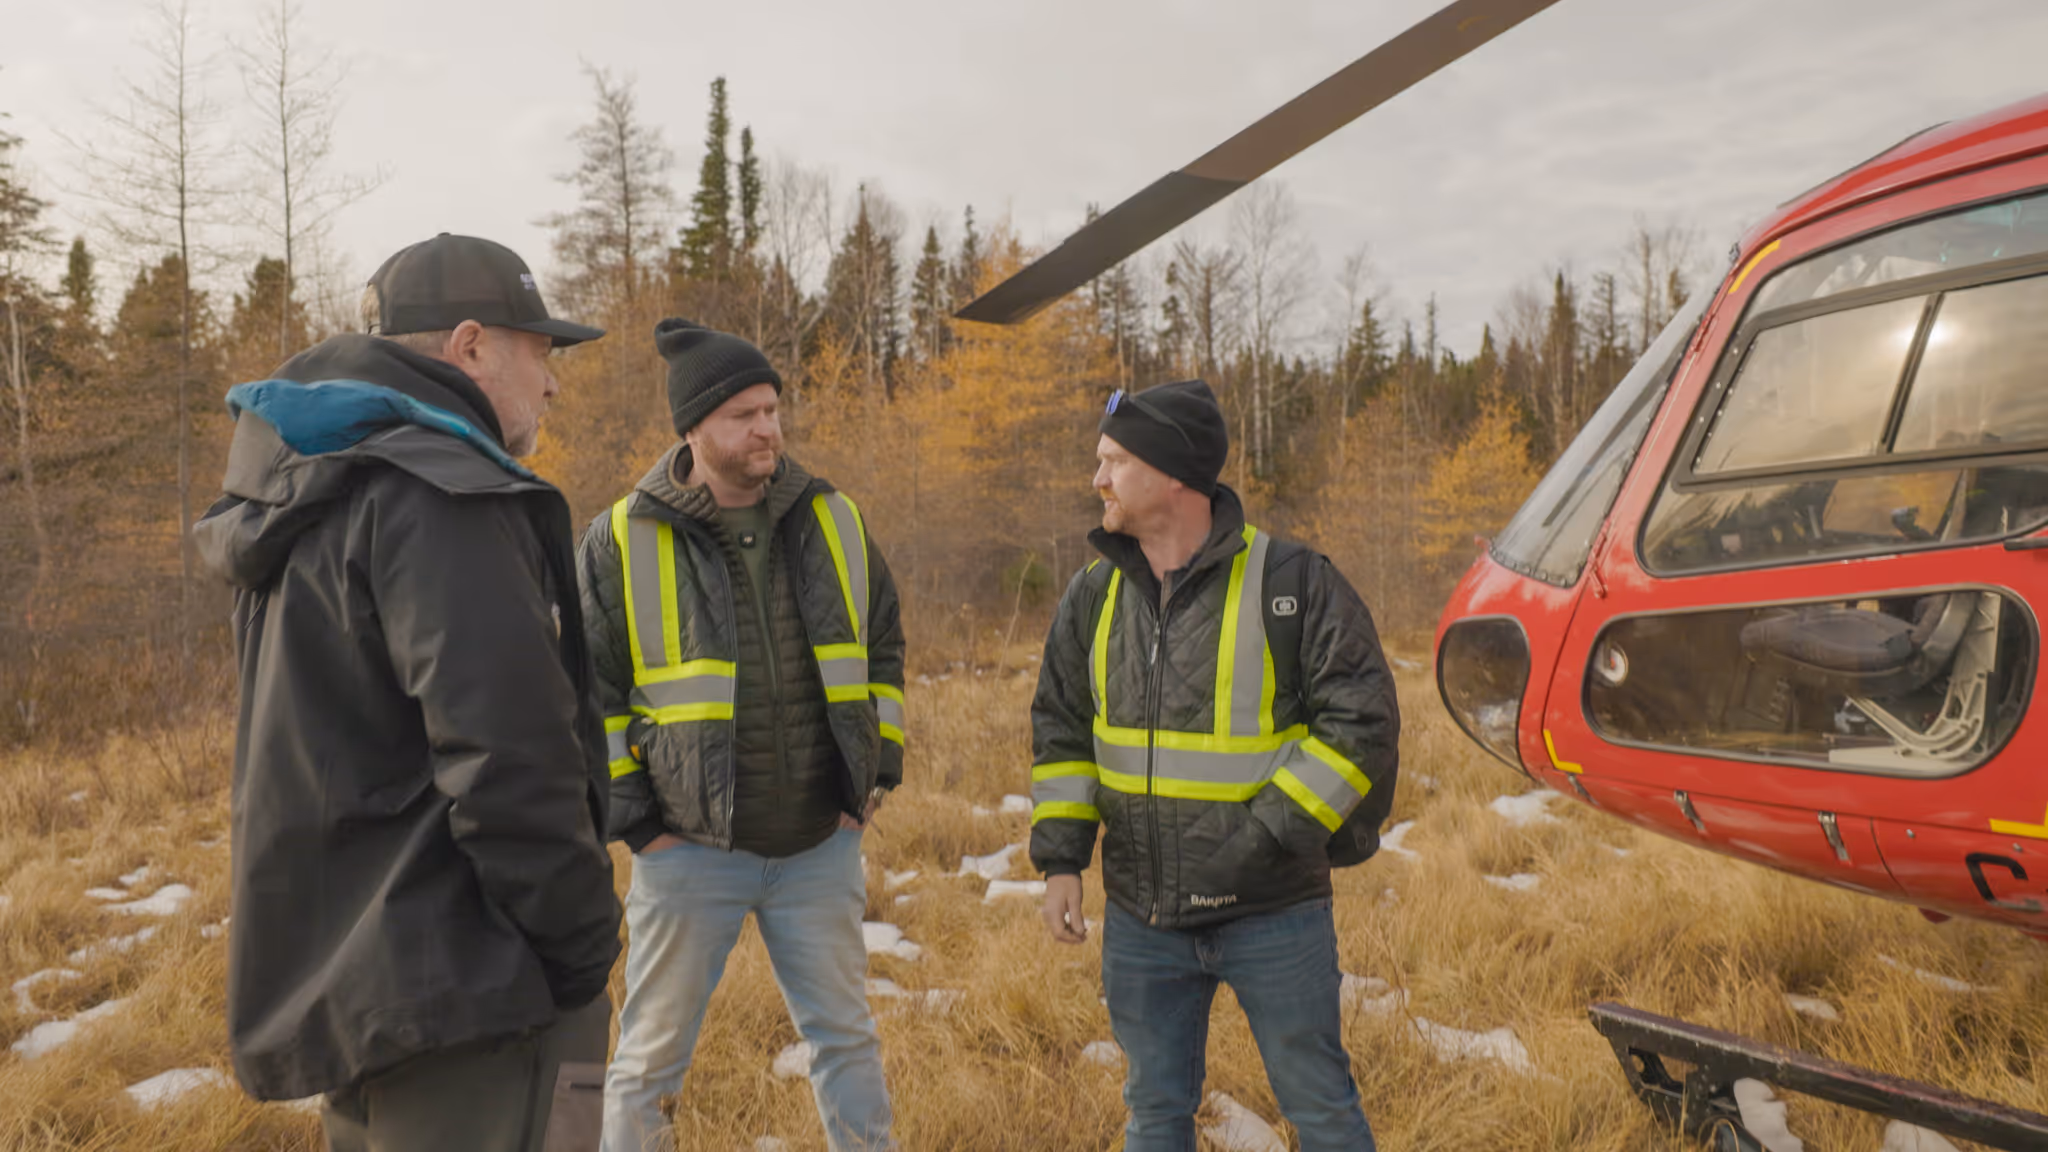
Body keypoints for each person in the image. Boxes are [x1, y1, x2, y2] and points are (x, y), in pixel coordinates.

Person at [193, 233, 623, 1150]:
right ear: (470, 346)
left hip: (363, 990)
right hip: (481, 998)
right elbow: (508, 759)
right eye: (540, 353)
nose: (552, 385)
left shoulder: (307, 492)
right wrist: (587, 948)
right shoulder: (441, 497)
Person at [1029, 379, 1400, 1152]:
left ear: (1173, 476)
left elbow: (1360, 727)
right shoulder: (1093, 593)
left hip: (1274, 914)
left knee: (1322, 1111)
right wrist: (1061, 859)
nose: (1097, 479)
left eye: (1115, 461)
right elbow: (1063, 729)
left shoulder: (1293, 583)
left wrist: (1264, 836)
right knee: (1155, 1114)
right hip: (1142, 918)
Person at [580, 319, 905, 1152]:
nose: (767, 429)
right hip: (687, 852)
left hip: (817, 845)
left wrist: (878, 770)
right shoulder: (621, 537)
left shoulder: (830, 514)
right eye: (742, 415)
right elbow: (590, 690)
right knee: (650, 1062)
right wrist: (637, 823)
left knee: (847, 1041)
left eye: (772, 410)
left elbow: (883, 643)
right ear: (692, 429)